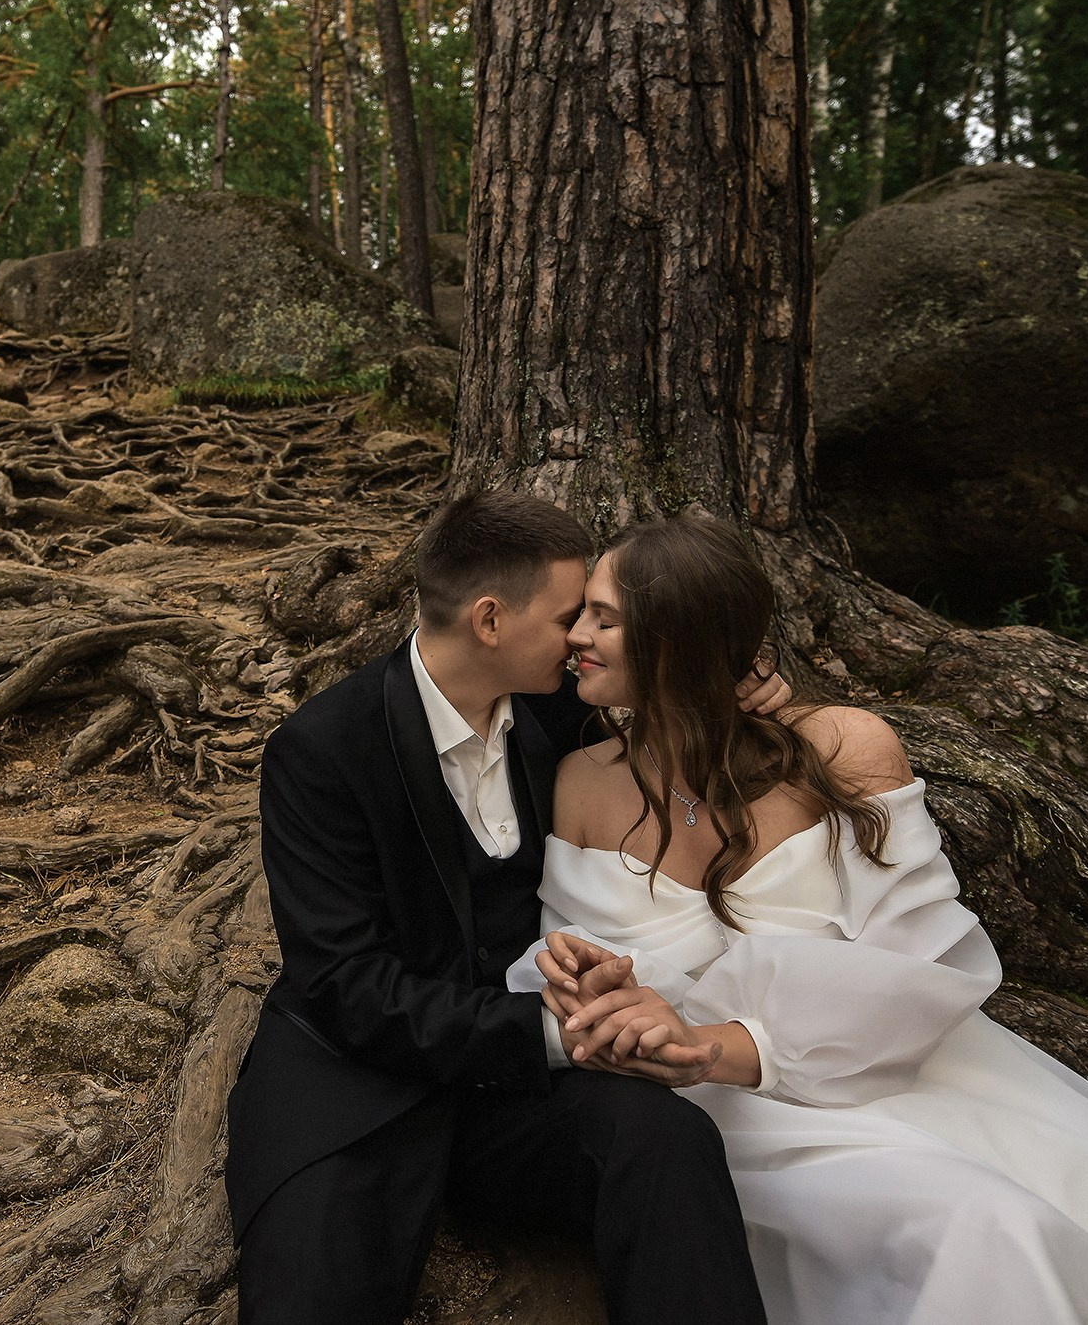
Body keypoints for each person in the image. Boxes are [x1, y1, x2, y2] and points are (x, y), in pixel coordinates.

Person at [526, 510, 1088, 1325]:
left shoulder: (843, 746)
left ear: (675, 639)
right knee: (971, 1222)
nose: (576, 632)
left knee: (1027, 1220)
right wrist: (599, 996)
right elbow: (567, 960)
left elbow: (929, 961)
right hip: (717, 1119)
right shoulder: (578, 780)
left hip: (892, 1071)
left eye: (604, 615)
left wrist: (726, 1040)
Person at [225, 491, 775, 1325]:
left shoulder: (568, 706)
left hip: (520, 1101)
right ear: (490, 620)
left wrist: (743, 689)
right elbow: (346, 984)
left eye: (595, 619)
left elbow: (677, 681)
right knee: (307, 1296)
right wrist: (558, 1033)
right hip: (364, 1082)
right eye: (568, 616)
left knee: (666, 1142)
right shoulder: (321, 750)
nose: (582, 638)